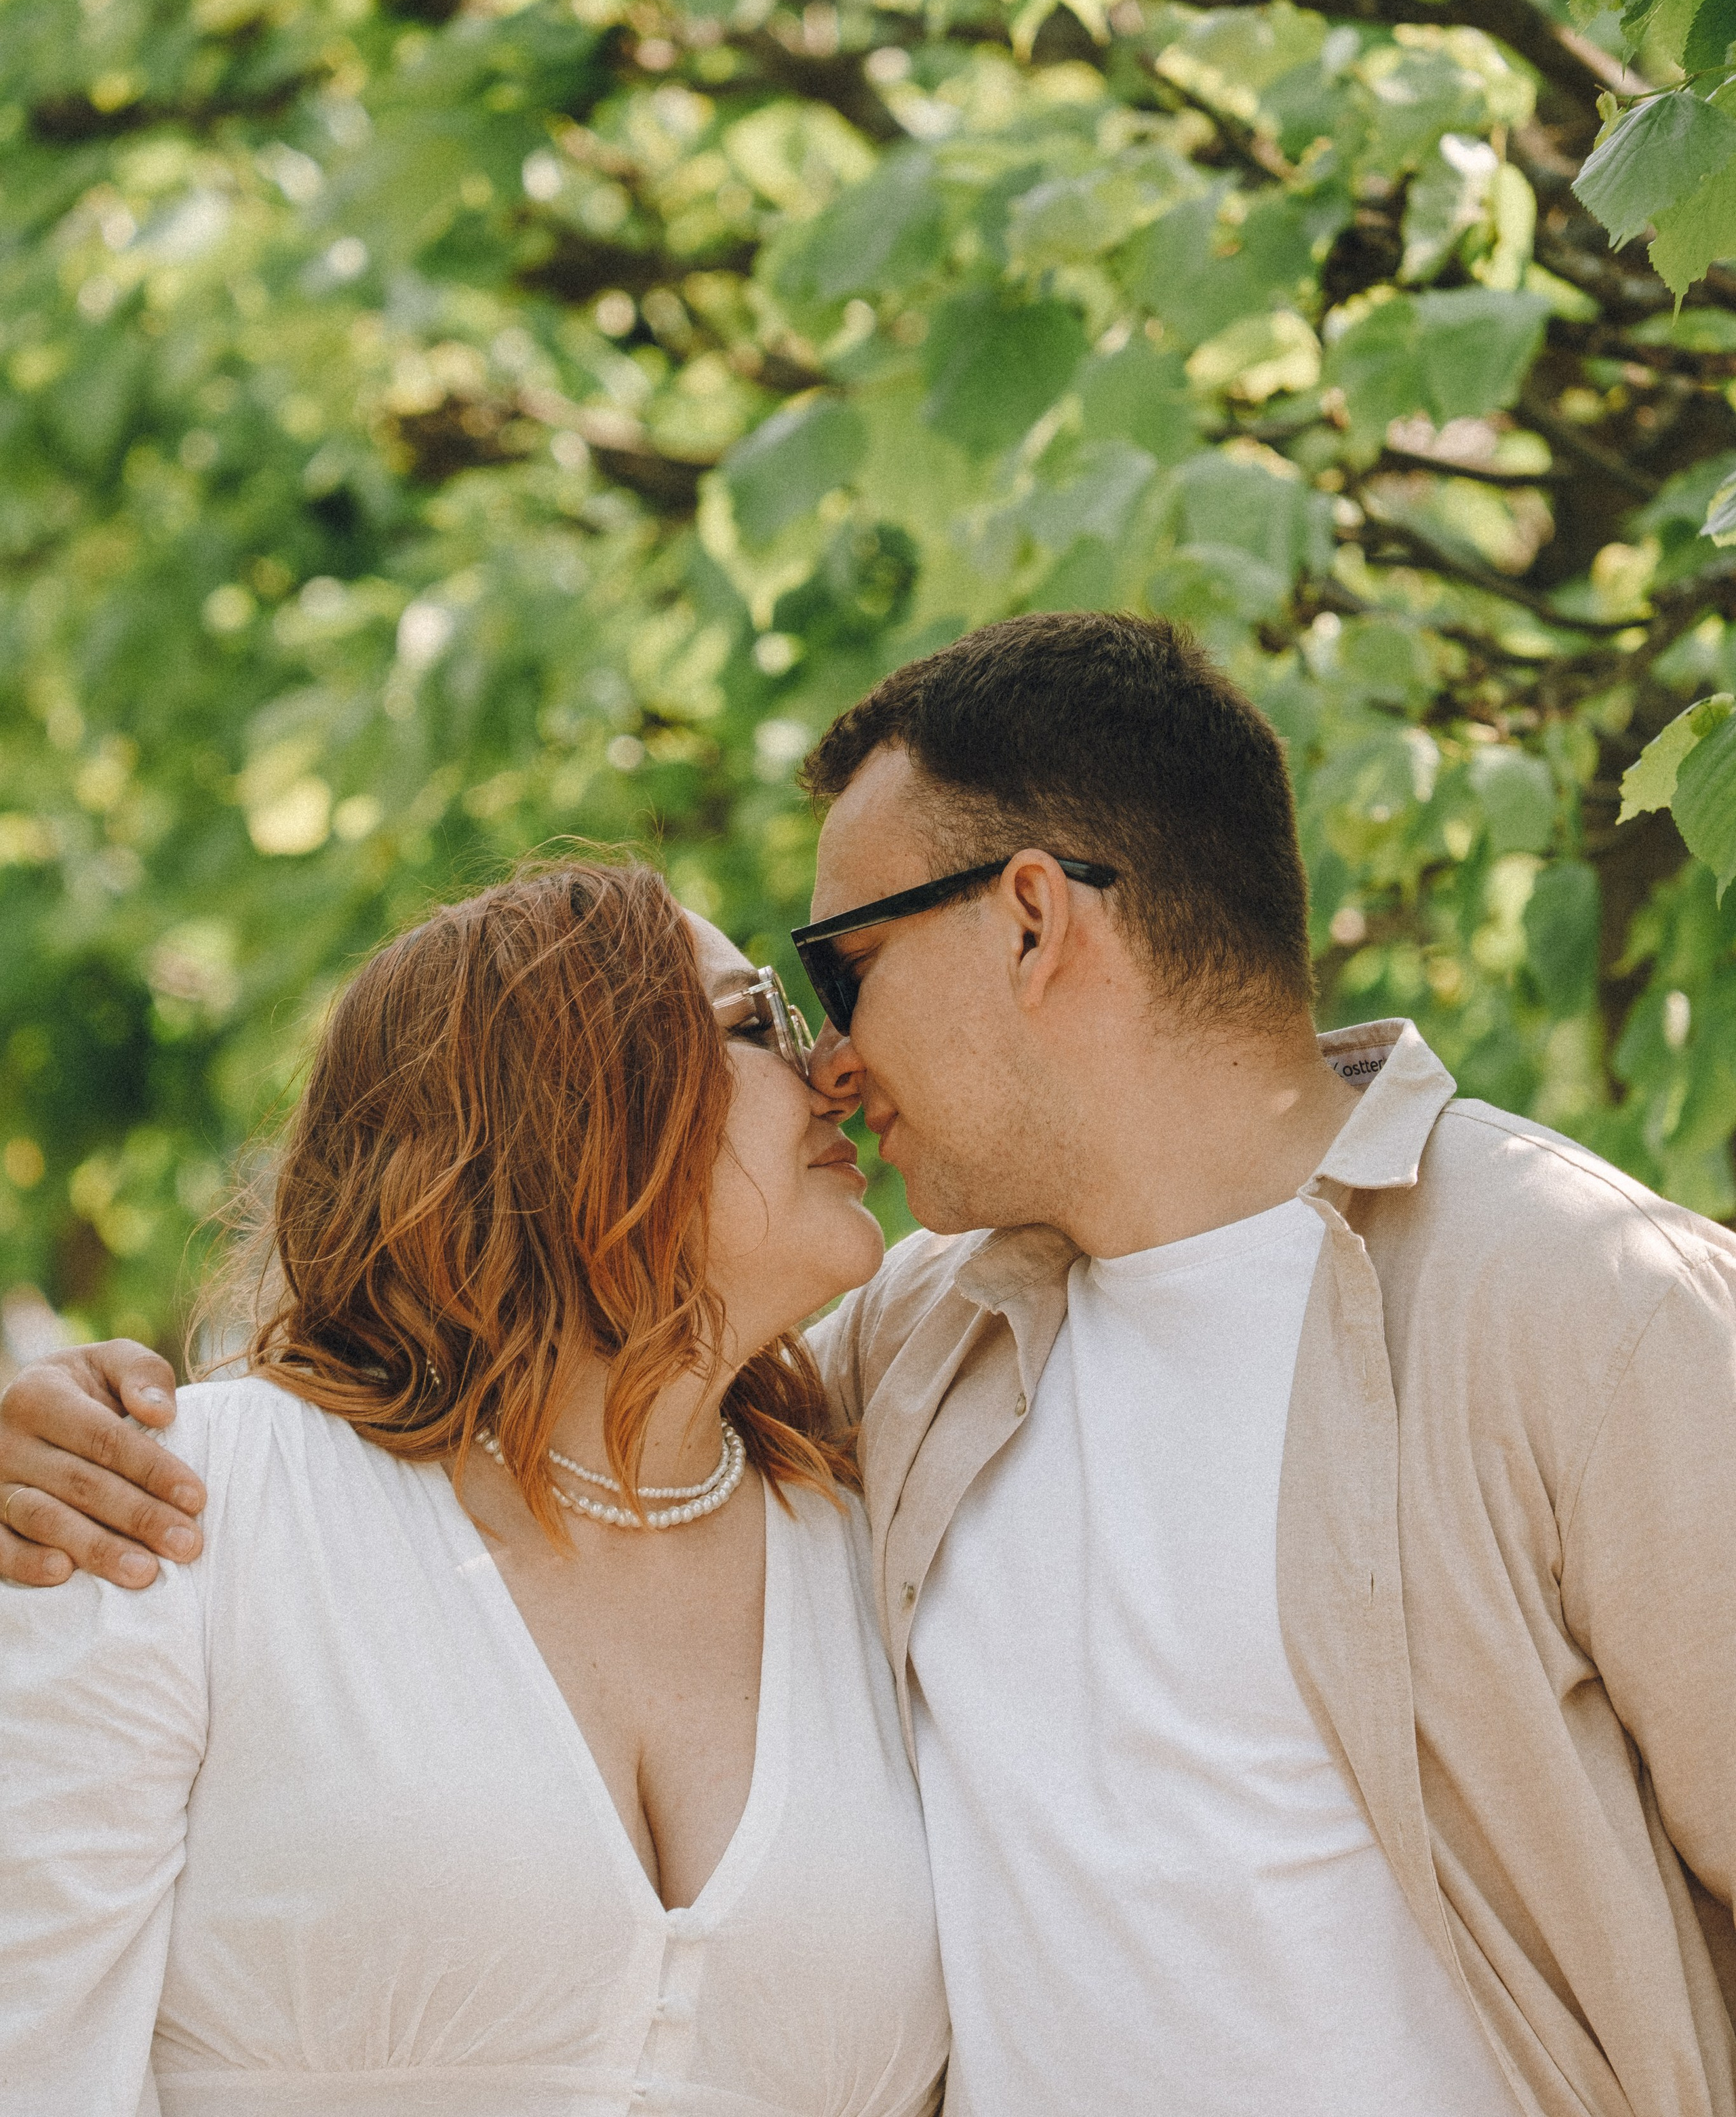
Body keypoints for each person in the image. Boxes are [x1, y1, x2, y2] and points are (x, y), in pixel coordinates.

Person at [9, 611, 1736, 2117]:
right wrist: (45, 1435)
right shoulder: (914, 1360)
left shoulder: (1579, 1305)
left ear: (1032, 919)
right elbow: (562, 1381)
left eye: (835, 973)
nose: (830, 1064)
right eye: (772, 1018)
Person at [0, 860, 949, 2116]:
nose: (835, 1066)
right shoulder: (170, 1502)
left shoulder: (881, 1523)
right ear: (572, 1098)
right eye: (759, 1020)